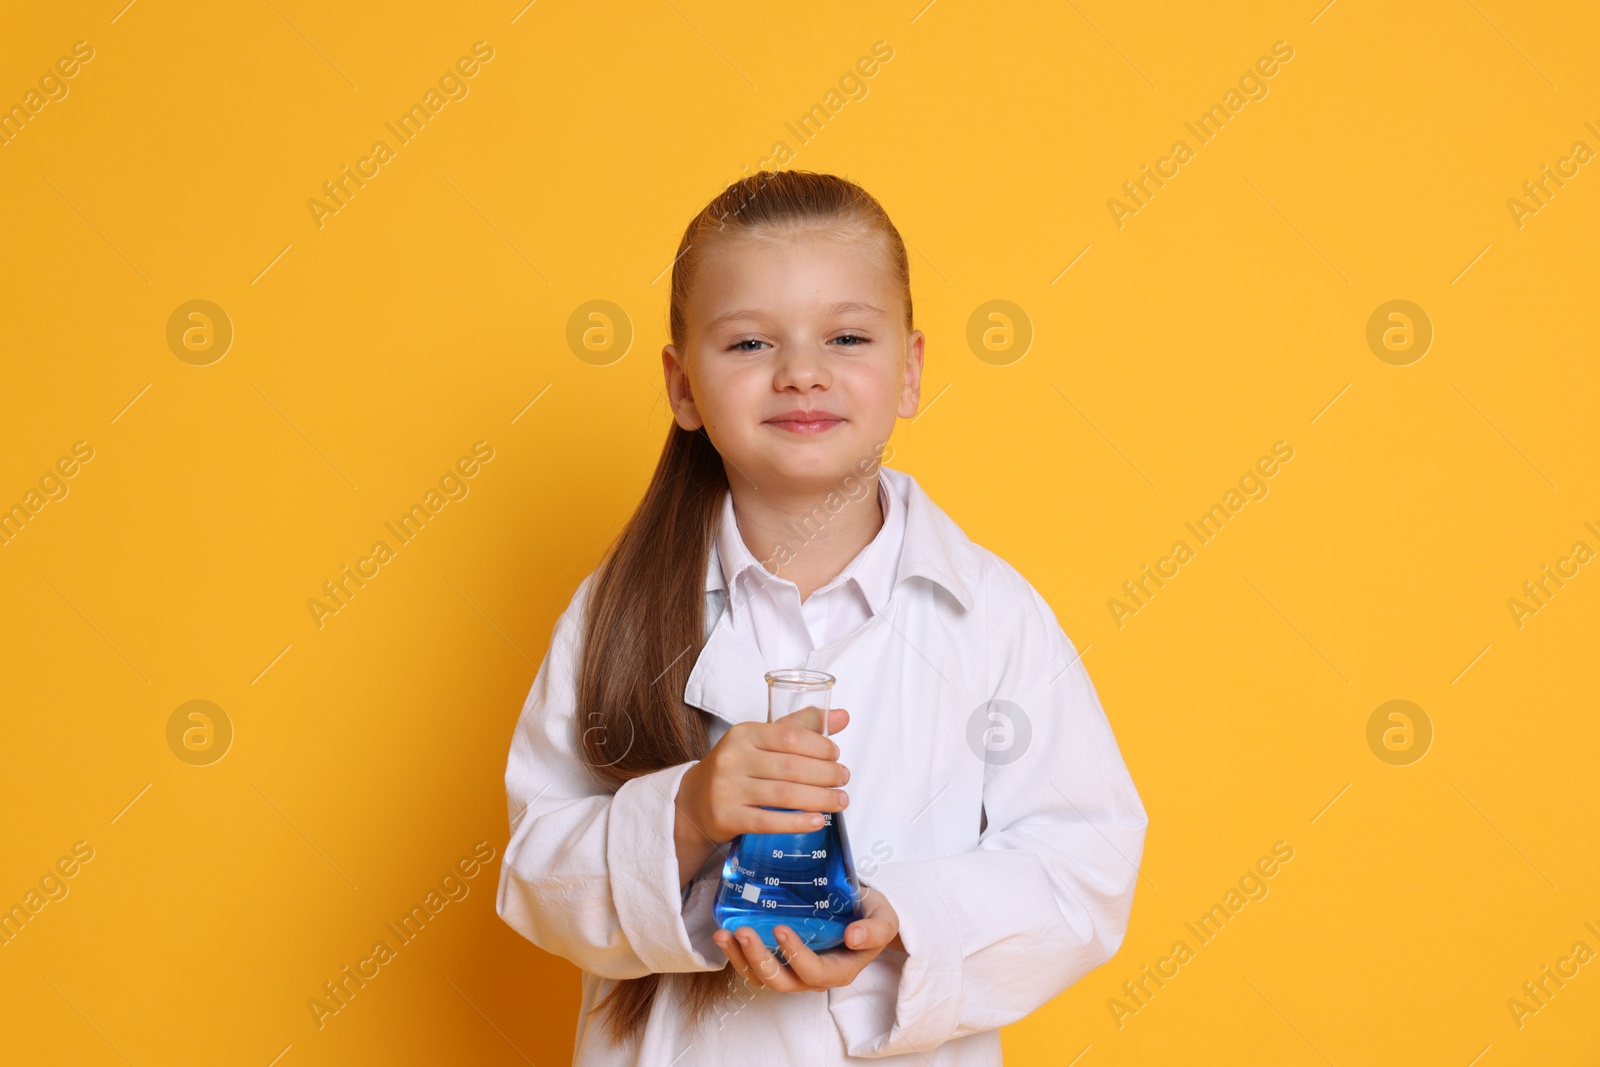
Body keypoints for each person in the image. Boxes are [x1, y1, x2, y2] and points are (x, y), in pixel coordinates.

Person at [495, 169, 1148, 1064]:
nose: (802, 372)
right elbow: (536, 870)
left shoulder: (994, 617)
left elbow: (1085, 864)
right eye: (751, 342)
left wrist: (907, 919)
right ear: (682, 387)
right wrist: (684, 814)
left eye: (846, 335)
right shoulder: (618, 610)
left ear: (910, 372)